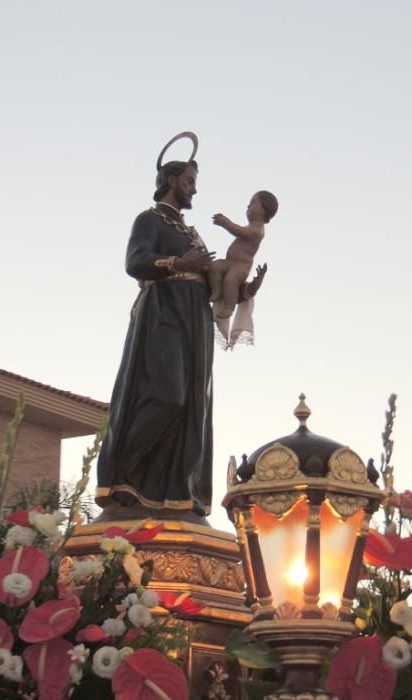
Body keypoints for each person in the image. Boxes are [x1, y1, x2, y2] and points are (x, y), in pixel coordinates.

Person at [96, 143, 268, 519]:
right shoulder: (150, 220)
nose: (194, 188)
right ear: (170, 179)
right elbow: (135, 262)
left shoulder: (191, 232)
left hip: (194, 315)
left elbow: (211, 277)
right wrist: (177, 262)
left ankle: (175, 490)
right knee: (166, 393)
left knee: (192, 402)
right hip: (163, 313)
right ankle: (125, 476)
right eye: (189, 181)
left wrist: (242, 291)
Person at [209, 191, 278, 320]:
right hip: (229, 262)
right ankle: (216, 290)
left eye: (253, 203)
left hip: (240, 267)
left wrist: (225, 222)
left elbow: (239, 231)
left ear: (264, 210)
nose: (248, 206)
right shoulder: (252, 227)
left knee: (230, 280)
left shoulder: (257, 230)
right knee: (215, 266)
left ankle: (229, 307)